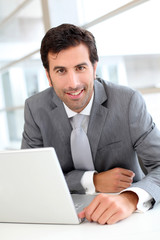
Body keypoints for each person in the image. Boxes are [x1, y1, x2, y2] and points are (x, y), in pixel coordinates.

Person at [21, 23, 160, 225]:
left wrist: (130, 198)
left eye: (80, 68)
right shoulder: (35, 109)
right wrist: (91, 181)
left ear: (94, 68)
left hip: (125, 221)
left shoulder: (127, 102)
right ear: (48, 76)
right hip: (61, 219)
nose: (73, 83)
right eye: (61, 71)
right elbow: (29, 178)